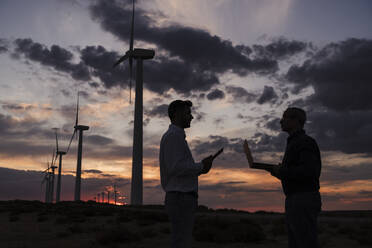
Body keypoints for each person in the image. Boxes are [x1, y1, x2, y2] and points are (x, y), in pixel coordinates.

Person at [159, 100, 214, 248]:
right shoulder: (173, 136)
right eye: (188, 113)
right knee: (181, 242)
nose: (192, 117)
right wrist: (200, 167)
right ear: (177, 114)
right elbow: (176, 167)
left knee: (182, 240)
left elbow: (179, 168)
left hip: (181, 197)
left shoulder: (176, 137)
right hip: (180, 198)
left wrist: (200, 168)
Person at [271, 107, 322, 248]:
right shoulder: (295, 142)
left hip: (303, 199)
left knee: (305, 242)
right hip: (296, 198)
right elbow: (297, 172)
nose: (281, 121)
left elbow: (309, 172)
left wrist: (282, 171)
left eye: (285, 117)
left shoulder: (304, 142)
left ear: (296, 121)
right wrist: (279, 172)